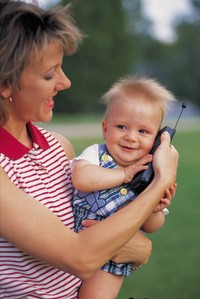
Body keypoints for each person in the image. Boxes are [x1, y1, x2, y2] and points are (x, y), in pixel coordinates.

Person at [0, 1, 179, 298]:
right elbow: (80, 257)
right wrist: (159, 180)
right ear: (5, 84)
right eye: (49, 74)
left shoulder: (59, 148)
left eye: (62, 69)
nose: (65, 82)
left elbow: (107, 230)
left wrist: (142, 246)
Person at [71, 75, 177, 298]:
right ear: (105, 128)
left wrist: (154, 208)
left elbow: (151, 227)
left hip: (112, 258)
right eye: (121, 126)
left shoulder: (149, 175)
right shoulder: (95, 154)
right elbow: (82, 179)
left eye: (143, 131)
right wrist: (123, 174)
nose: (131, 137)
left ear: (156, 139)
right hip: (73, 245)